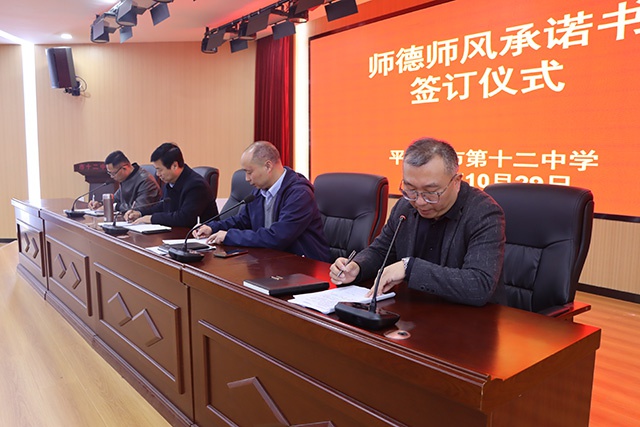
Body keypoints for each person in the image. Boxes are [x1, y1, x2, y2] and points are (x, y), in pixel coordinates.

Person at [329, 137, 505, 307]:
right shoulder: (405, 206)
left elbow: (479, 285)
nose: (419, 202)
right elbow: (381, 251)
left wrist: (410, 268)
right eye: (410, 189)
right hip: (413, 312)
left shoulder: (483, 213)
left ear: (456, 182)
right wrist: (357, 267)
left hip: (467, 318)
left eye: (431, 192)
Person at [193, 141, 331, 262]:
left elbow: (278, 237)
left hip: (305, 266)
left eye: (249, 172)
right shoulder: (259, 191)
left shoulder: (299, 194)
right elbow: (242, 221)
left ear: (268, 166)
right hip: (272, 260)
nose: (247, 178)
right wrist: (212, 228)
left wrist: (229, 236)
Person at [125, 142, 218, 228]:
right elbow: (162, 206)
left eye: (160, 169)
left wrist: (151, 219)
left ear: (174, 166)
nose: (157, 174)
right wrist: (140, 213)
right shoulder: (170, 182)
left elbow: (184, 218)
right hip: (176, 233)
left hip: (200, 236)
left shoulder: (196, 185)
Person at [88, 150, 161, 213]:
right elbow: (116, 198)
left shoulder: (146, 181)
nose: (111, 177)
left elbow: (139, 208)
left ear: (125, 168)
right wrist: (100, 203)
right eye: (109, 173)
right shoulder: (126, 178)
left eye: (113, 173)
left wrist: (115, 206)